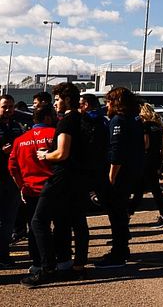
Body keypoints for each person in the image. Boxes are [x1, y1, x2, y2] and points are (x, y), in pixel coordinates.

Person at [24, 83, 85, 287]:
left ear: (67, 99)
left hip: (61, 177)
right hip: (75, 178)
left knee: (38, 221)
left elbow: (62, 153)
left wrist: (45, 155)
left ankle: (47, 267)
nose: (55, 103)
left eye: (58, 99)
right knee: (63, 221)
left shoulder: (67, 121)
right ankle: (65, 264)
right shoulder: (82, 119)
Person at [8, 105, 55, 276]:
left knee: (34, 227)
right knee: (55, 225)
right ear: (48, 118)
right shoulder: (55, 134)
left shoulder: (20, 139)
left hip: (30, 189)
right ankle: (56, 260)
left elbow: (12, 167)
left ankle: (37, 262)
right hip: (53, 187)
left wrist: (21, 186)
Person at [103, 86, 144, 268]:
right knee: (121, 215)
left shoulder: (118, 120)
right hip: (133, 172)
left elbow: (116, 151)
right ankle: (122, 249)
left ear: (115, 102)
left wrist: (111, 177)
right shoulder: (135, 119)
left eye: (108, 101)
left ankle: (118, 253)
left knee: (116, 215)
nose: (106, 105)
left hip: (121, 174)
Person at [131, 102, 163, 227]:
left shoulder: (145, 126)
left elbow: (145, 144)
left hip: (146, 160)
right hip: (155, 160)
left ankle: (127, 214)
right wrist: (159, 165)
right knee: (152, 189)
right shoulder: (158, 127)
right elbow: (162, 148)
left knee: (141, 189)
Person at [0, 94, 25, 268]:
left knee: (9, 219)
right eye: (4, 106)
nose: (8, 110)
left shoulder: (17, 126)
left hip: (13, 180)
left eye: (10, 106)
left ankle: (4, 254)